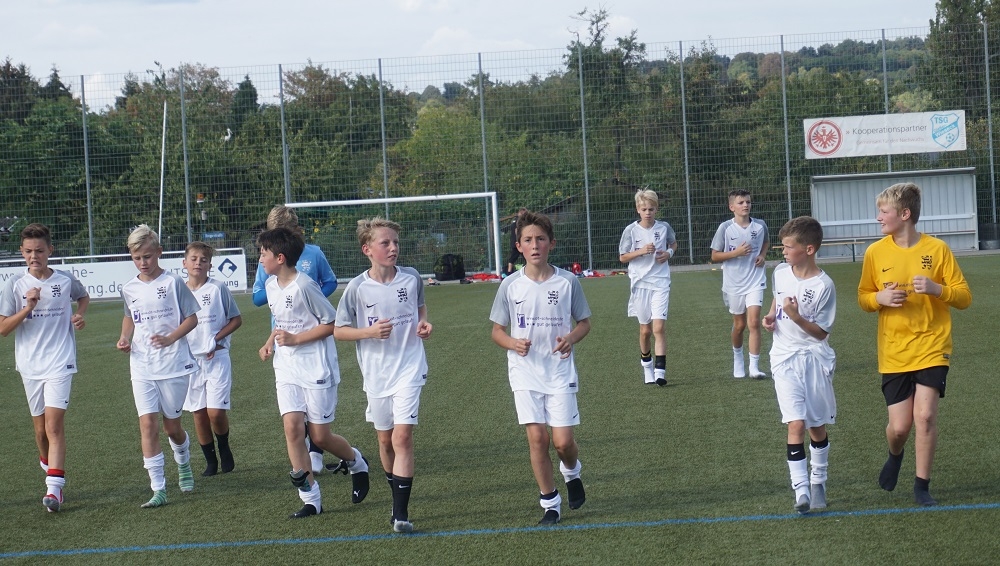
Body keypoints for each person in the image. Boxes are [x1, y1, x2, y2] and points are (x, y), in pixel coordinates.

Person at [857, 182, 972, 507]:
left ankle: (922, 485)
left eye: (884, 211)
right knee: (899, 427)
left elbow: (964, 297)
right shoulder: (875, 252)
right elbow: (864, 297)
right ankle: (895, 454)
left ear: (904, 214)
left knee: (925, 416)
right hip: (894, 350)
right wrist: (879, 298)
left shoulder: (938, 249)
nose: (878, 217)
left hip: (933, 346)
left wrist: (938, 289)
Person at [257, 227, 370, 518]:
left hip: (316, 367)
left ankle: (356, 462)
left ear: (280, 258)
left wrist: (296, 339)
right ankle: (311, 499)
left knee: (320, 437)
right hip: (286, 367)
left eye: (263, 253)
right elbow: (280, 321)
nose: (260, 259)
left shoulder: (305, 286)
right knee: (292, 428)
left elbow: (331, 324)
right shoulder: (270, 285)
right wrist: (270, 342)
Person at [489, 210, 591, 525]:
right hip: (524, 372)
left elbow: (584, 323)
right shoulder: (510, 285)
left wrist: (570, 338)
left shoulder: (567, 281)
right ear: (519, 246)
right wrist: (512, 343)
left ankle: (572, 471)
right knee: (537, 438)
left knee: (562, 442)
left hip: (559, 370)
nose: (535, 245)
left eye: (541, 239)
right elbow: (497, 331)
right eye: (528, 240)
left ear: (551, 243)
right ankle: (550, 503)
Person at [334, 217, 432, 534]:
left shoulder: (411, 277)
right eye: (385, 243)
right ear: (367, 250)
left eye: (395, 242)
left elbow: (420, 307)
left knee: (402, 437)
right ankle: (395, 496)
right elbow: (339, 330)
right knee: (385, 440)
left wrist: (423, 324)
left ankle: (401, 514)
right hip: (376, 374)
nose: (393, 248)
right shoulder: (357, 288)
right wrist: (369, 332)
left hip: (410, 368)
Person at [0, 223, 89, 513]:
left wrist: (80, 314)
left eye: (39, 251)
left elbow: (83, 296)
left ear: (50, 250)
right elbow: (3, 329)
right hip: (30, 366)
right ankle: (48, 465)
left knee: (53, 426)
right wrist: (28, 307)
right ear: (21, 252)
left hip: (61, 361)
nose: (34, 256)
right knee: (40, 432)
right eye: (28, 251)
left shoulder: (64, 279)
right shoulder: (14, 284)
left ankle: (54, 489)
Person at [116, 225, 199, 508]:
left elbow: (192, 318)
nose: (143, 262)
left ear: (159, 252)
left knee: (171, 428)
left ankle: (183, 462)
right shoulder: (129, 288)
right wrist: (124, 338)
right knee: (147, 424)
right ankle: (158, 488)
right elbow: (130, 317)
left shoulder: (173, 282)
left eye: (148, 256)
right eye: (137, 258)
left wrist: (170, 338)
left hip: (174, 364)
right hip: (141, 365)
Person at [251, 205, 337, 475]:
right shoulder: (268, 268)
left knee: (318, 423)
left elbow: (329, 284)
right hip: (284, 341)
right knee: (292, 420)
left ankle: (319, 450)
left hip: (310, 340)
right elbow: (257, 297)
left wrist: (307, 297)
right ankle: (308, 486)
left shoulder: (312, 255)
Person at [762, 217, 837, 514]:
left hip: (814, 359)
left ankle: (818, 481)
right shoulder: (780, 272)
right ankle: (801, 489)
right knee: (795, 423)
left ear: (808, 249)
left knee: (816, 426)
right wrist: (772, 316)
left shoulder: (823, 285)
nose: (783, 251)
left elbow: (821, 333)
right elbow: (777, 300)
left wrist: (795, 317)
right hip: (783, 357)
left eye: (788, 247)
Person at [182, 242, 243, 476]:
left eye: (204, 260)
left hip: (217, 357)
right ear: (184, 263)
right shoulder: (178, 291)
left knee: (215, 412)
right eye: (194, 259)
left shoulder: (218, 288)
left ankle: (224, 447)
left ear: (210, 265)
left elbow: (236, 319)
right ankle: (210, 461)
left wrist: (216, 339)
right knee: (198, 413)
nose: (198, 263)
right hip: (190, 362)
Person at [618, 189, 678, 385]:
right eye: (644, 209)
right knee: (645, 331)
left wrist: (668, 253)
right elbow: (623, 257)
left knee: (658, 327)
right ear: (638, 209)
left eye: (651, 209)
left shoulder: (664, 227)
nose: (648, 213)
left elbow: (673, 244)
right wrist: (641, 251)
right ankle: (647, 367)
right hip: (640, 283)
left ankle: (660, 372)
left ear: (656, 209)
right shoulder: (631, 231)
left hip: (660, 281)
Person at [710, 189, 770, 379]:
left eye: (748, 202)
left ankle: (754, 367)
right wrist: (735, 253)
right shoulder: (725, 228)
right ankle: (738, 358)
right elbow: (714, 256)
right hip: (734, 283)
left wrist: (762, 255)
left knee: (754, 322)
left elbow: (765, 242)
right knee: (739, 325)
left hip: (755, 280)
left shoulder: (760, 225)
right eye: (741, 202)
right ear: (732, 207)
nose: (746, 205)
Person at [505, 207, 528, 275]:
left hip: (514, 242)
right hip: (519, 243)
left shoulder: (514, 221)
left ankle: (509, 272)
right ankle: (528, 271)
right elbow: (516, 231)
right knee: (527, 257)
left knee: (513, 258)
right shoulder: (521, 222)